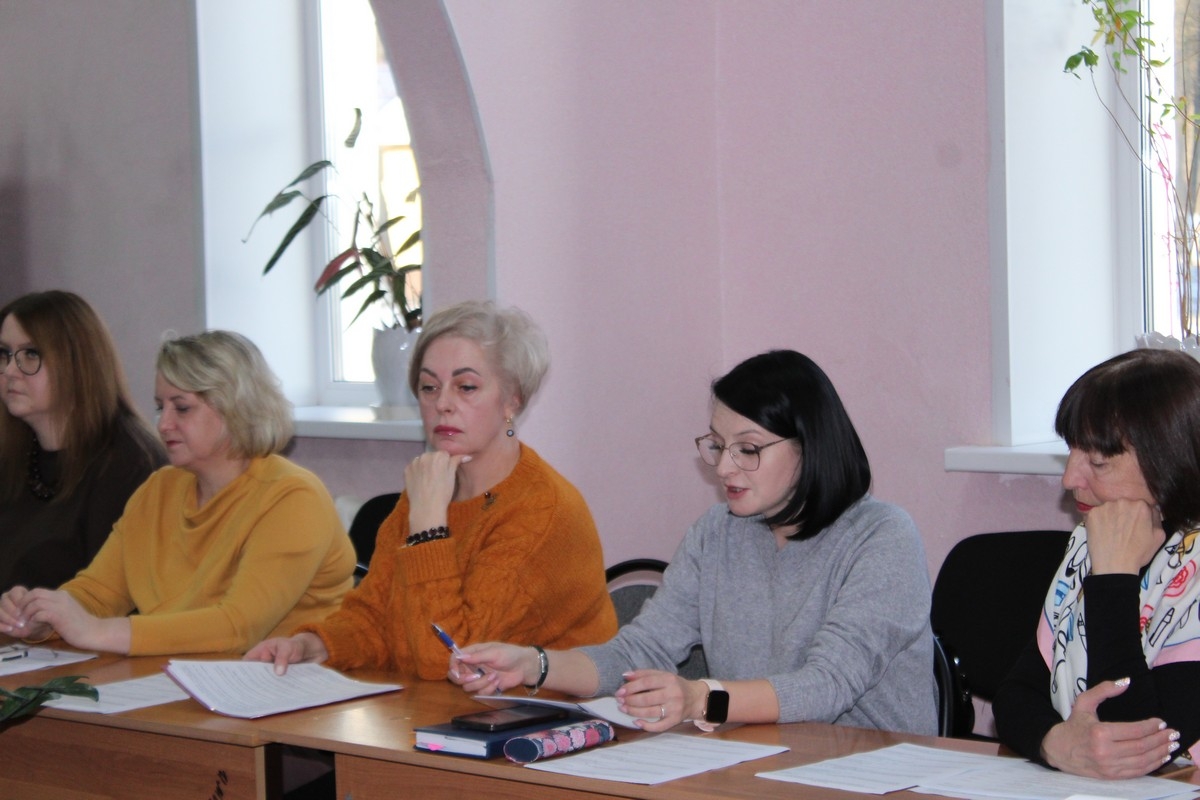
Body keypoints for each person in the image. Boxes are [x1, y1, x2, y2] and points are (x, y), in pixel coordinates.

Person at [451, 349, 937, 735]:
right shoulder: (717, 532)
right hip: (758, 766)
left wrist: (700, 698)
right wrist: (533, 664)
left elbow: (827, 685)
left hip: (878, 776)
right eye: (718, 445)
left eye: (747, 448)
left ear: (810, 446)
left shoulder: (882, 537)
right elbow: (639, 652)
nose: (724, 467)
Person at [246, 300, 617, 679]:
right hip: (439, 708)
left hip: (541, 712)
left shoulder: (541, 509)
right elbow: (375, 617)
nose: (442, 404)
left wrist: (427, 529)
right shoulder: (431, 488)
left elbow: (452, 662)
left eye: (466, 387)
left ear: (512, 400)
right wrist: (313, 645)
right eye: (429, 387)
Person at [0, 330, 355, 655]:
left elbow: (238, 627)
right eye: (160, 407)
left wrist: (96, 631)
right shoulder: (159, 488)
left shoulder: (293, 497)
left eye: (181, 408)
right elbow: (99, 593)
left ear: (236, 407)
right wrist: (44, 616)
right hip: (178, 678)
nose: (163, 424)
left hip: (283, 687)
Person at [994, 348, 1200, 779]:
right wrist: (1055, 742)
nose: (1070, 478)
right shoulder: (1091, 539)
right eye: (1071, 451)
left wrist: (1114, 579)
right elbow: (1015, 696)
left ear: (1168, 462)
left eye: (1098, 461)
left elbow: (1143, 745)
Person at [0, 290, 166, 592]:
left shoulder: (130, 462)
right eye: (4, 354)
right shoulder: (13, 454)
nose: (10, 371)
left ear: (77, 363)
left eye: (31, 354)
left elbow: (119, 596)